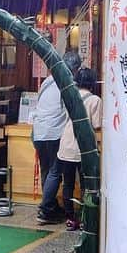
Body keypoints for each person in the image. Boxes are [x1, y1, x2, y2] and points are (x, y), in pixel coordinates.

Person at [32, 50, 82, 225]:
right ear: (75, 69)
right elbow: (73, 111)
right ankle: (45, 210)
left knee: (47, 170)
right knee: (54, 172)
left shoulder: (48, 80)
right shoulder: (66, 82)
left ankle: (51, 207)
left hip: (38, 132)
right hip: (54, 133)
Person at [55, 67, 103, 231]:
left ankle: (70, 218)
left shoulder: (70, 96)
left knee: (68, 184)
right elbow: (96, 125)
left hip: (66, 144)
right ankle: (84, 219)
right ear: (92, 82)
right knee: (85, 185)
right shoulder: (95, 99)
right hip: (84, 148)